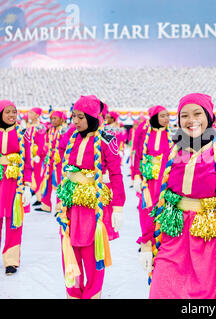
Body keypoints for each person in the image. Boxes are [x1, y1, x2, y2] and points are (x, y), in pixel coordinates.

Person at [148, 93, 216, 299]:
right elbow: (158, 202)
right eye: (184, 115)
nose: (191, 120)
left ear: (209, 117)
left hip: (207, 241)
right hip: (173, 235)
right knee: (161, 291)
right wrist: (147, 242)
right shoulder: (171, 153)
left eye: (197, 113)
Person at [55, 96, 125, 299]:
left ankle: (93, 294)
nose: (75, 121)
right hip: (70, 205)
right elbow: (62, 158)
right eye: (73, 116)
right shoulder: (71, 136)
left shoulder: (107, 139)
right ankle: (73, 294)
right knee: (70, 252)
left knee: (93, 254)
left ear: (93, 117)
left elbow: (115, 173)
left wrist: (118, 206)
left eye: (80, 117)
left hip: (93, 207)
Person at [132, 105, 172, 268]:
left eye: (167, 116)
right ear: (155, 117)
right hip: (148, 183)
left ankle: (161, 241)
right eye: (162, 116)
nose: (166, 119)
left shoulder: (172, 135)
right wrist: (136, 174)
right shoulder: (143, 132)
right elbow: (137, 154)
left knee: (163, 211)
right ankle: (147, 240)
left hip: (164, 182)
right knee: (146, 211)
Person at [0, 100, 32, 275]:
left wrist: (27, 185)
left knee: (14, 221)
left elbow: (27, 162)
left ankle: (11, 261)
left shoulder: (22, 133)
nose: (12, 115)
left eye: (14, 112)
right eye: (7, 112)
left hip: (14, 184)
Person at [36, 110, 67, 213]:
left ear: (62, 120)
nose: (53, 120)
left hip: (60, 158)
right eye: (52, 118)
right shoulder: (50, 130)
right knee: (46, 178)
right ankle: (45, 205)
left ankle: (60, 206)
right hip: (50, 157)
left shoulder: (64, 131)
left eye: (55, 118)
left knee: (59, 180)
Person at [27, 107, 46, 207]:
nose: (29, 114)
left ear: (37, 115)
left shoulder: (40, 127)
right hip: (29, 155)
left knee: (37, 176)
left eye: (31, 113)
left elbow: (41, 142)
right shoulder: (29, 126)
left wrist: (38, 155)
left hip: (35, 156)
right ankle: (38, 197)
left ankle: (40, 198)